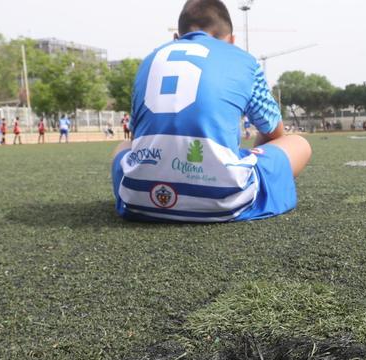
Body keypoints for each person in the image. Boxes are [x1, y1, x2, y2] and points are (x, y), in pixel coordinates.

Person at [110, 0, 311, 223]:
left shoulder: (149, 60)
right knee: (299, 143)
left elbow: (138, 137)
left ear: (177, 37)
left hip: (140, 199)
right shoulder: (244, 60)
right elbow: (275, 132)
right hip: (224, 201)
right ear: (231, 40)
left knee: (124, 145)